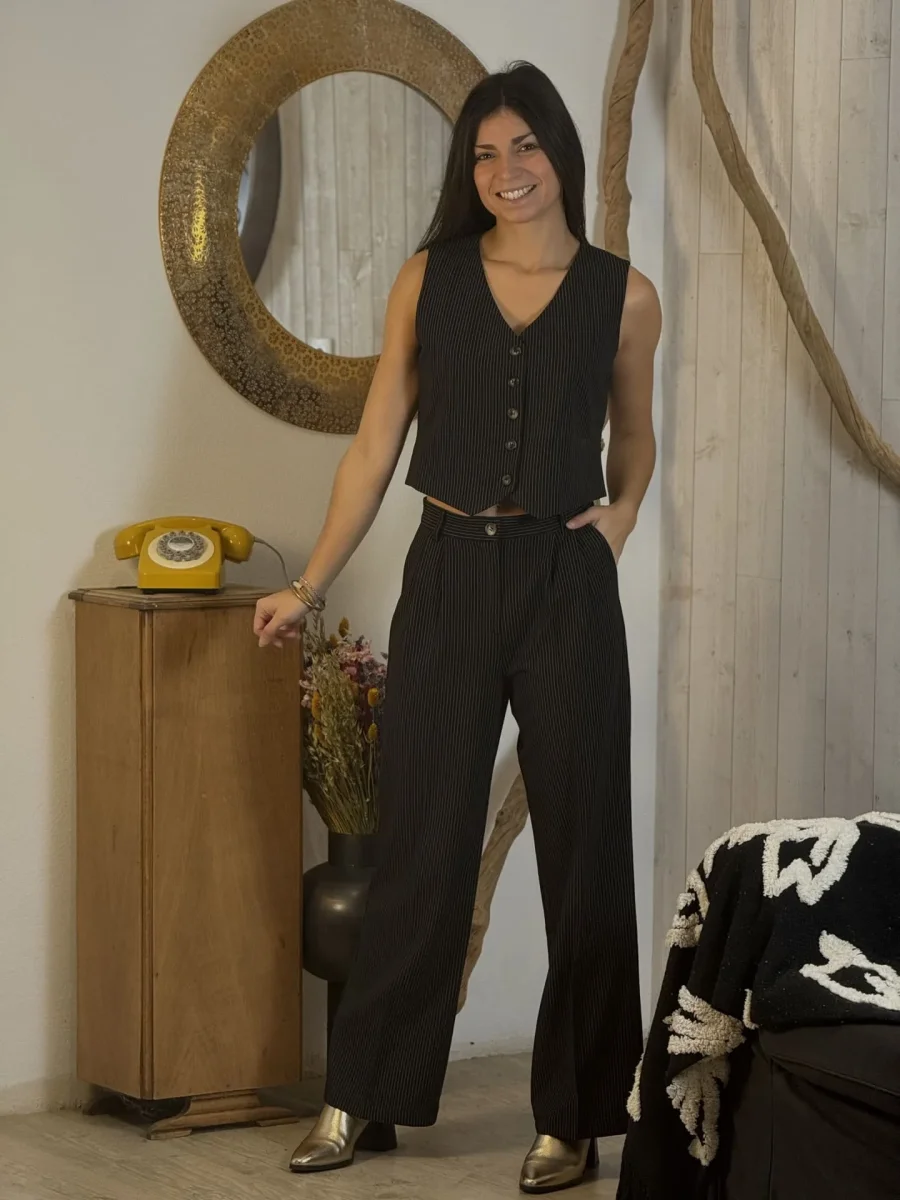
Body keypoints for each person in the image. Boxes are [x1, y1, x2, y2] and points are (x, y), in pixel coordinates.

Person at [254, 60, 661, 1195]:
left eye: (523, 146)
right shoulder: (428, 279)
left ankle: (574, 1117)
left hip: (566, 583)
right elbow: (376, 443)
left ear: (559, 151)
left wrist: (620, 518)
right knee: (420, 846)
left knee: (586, 849)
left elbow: (635, 434)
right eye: (484, 153)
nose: (504, 170)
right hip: (445, 577)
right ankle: (362, 1096)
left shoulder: (625, 296)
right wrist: (312, 584)